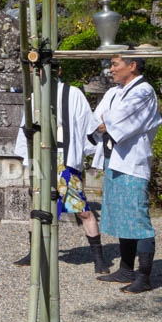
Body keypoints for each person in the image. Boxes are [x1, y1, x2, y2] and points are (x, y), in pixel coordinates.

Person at [13, 77, 105, 273]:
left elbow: (87, 124)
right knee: (37, 204)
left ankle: (99, 257)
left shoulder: (73, 93)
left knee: (82, 209)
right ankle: (34, 252)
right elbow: (25, 127)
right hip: (41, 155)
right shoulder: (33, 96)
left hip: (65, 155)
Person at [91, 52, 160, 293]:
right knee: (121, 216)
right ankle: (126, 268)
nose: (111, 69)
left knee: (137, 218)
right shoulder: (113, 92)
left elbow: (116, 120)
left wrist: (104, 122)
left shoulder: (144, 91)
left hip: (132, 162)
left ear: (132, 65)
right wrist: (102, 123)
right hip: (113, 160)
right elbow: (95, 120)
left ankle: (144, 276)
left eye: (115, 64)